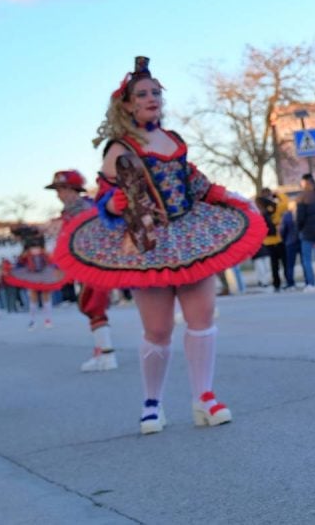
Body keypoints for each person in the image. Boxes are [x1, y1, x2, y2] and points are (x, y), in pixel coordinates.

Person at [53, 56, 266, 435]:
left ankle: (205, 397)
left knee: (202, 319)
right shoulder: (119, 147)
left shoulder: (174, 141)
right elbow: (106, 195)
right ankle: (153, 402)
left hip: (190, 235)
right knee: (158, 329)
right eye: (143, 93)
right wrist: (114, 204)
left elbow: (193, 181)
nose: (152, 98)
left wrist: (229, 197)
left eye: (156, 92)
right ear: (128, 104)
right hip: (147, 243)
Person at [44, 169, 117, 371]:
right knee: (91, 305)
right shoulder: (73, 211)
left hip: (94, 264)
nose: (59, 194)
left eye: (62, 189)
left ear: (72, 190)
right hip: (89, 265)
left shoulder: (84, 209)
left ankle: (106, 355)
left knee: (93, 304)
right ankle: (103, 352)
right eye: (58, 190)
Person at [2, 224, 69, 329]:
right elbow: (21, 260)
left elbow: (50, 259)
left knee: (45, 296)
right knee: (33, 297)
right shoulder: (26, 249)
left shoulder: (42, 248)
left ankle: (47, 319)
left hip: (44, 272)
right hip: (31, 273)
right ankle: (33, 320)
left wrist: (57, 267)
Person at [255, 186, 290, 292]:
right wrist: (278, 194)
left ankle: (276, 284)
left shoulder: (259, 211)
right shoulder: (276, 207)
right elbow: (286, 202)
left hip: (268, 240)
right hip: (279, 238)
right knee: (285, 262)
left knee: (274, 264)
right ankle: (288, 282)